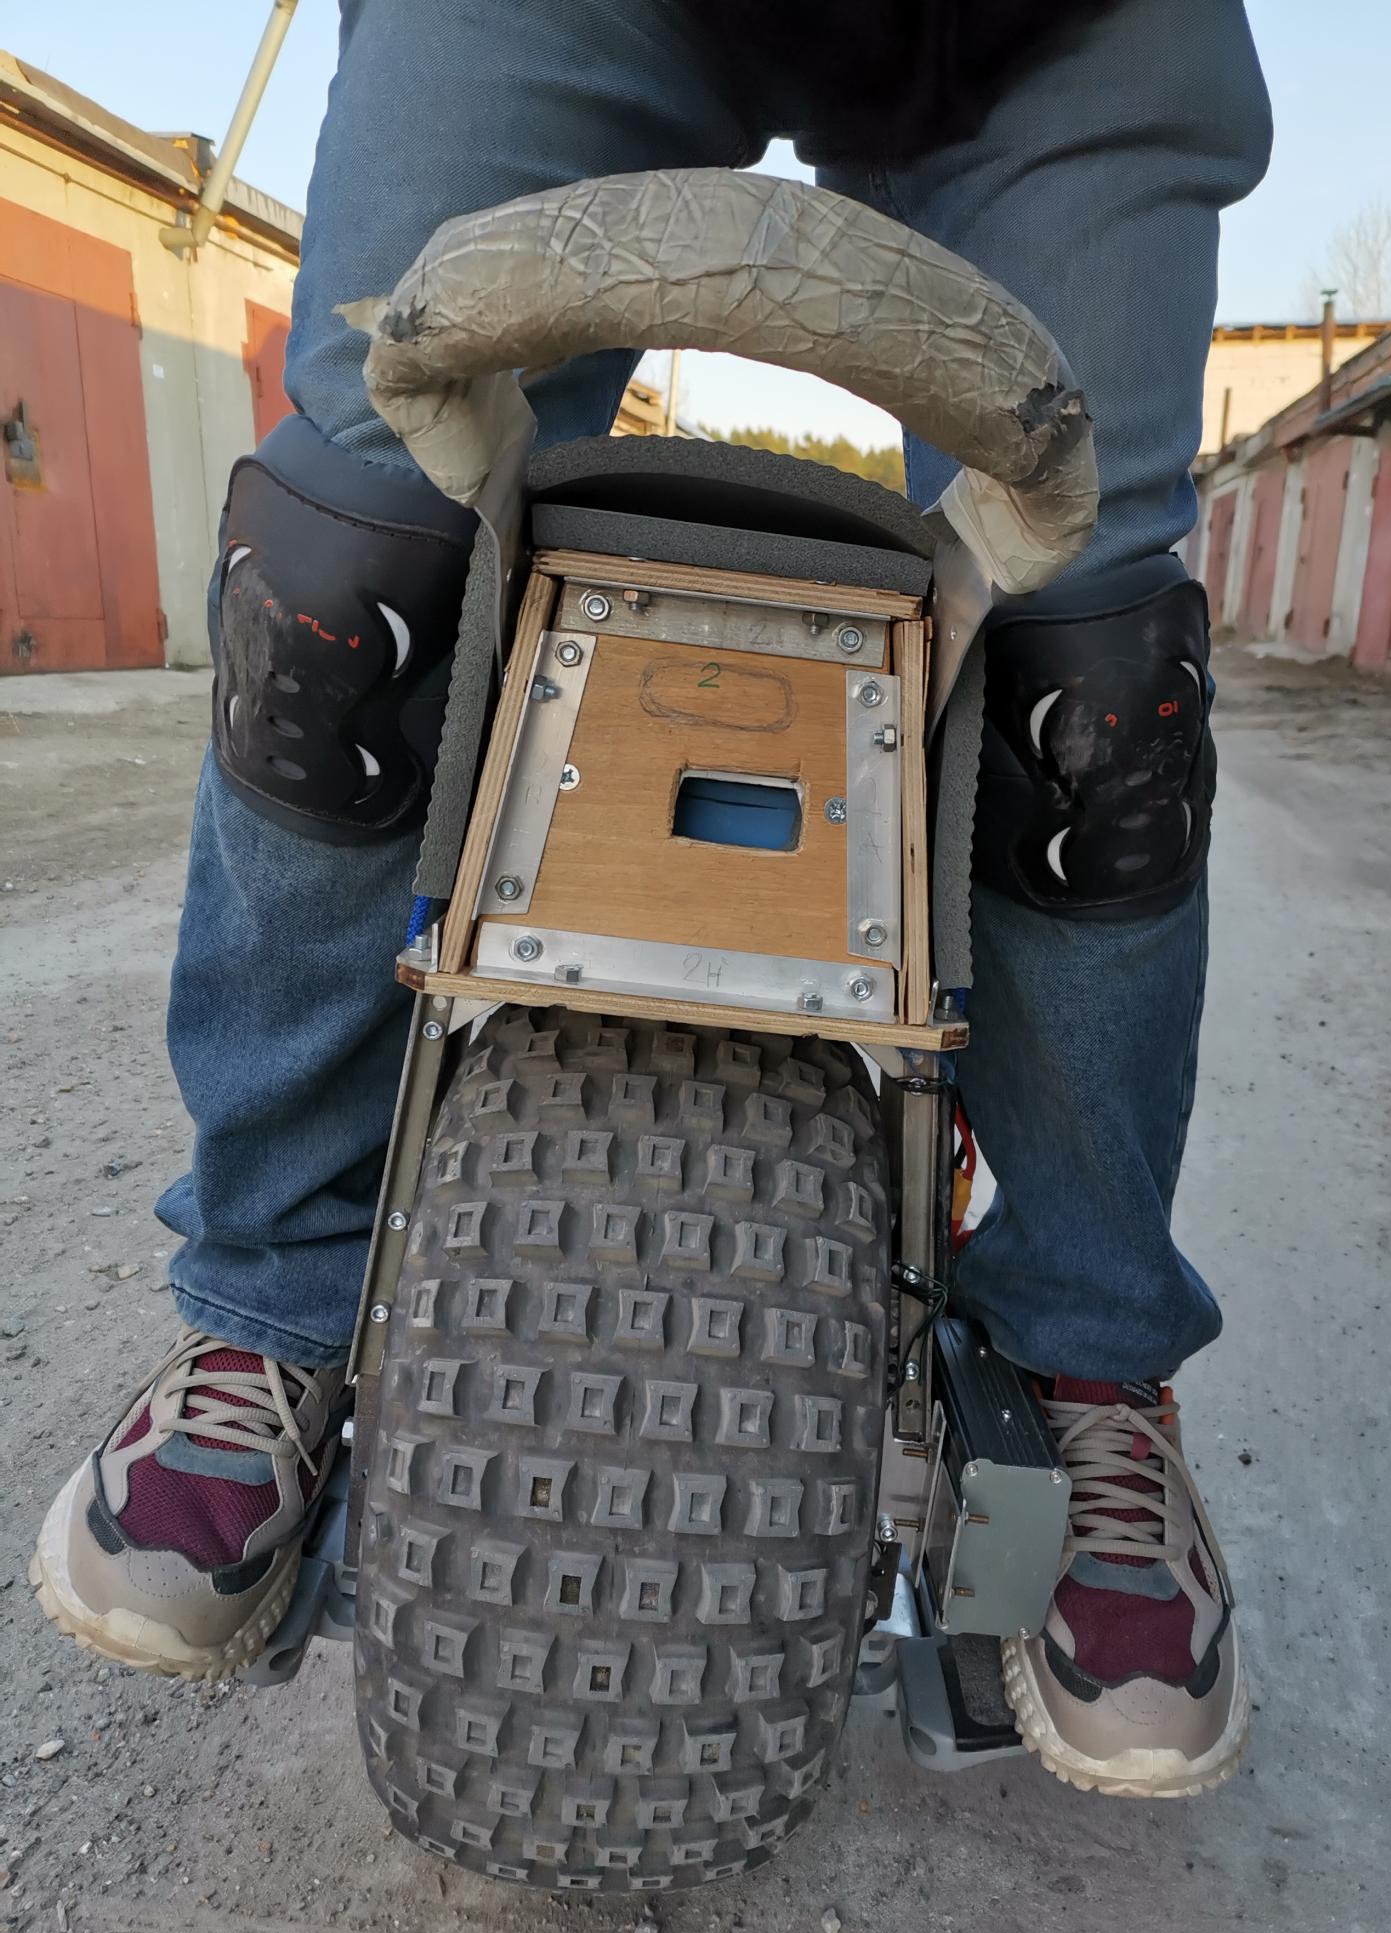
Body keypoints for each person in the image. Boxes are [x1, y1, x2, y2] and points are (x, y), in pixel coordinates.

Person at [32, 0, 1272, 1798]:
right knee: (344, 580)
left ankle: (1088, 1370)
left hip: (1053, 21)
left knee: (1098, 694)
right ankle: (275, 1299)